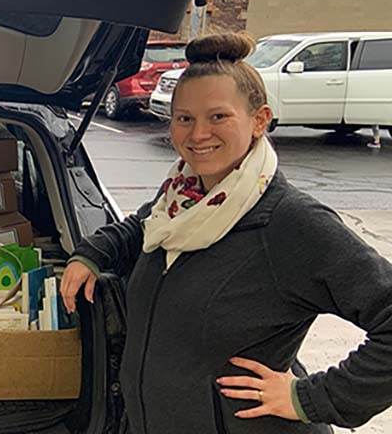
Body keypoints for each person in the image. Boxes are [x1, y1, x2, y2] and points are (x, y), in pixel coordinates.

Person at [61, 33, 392, 434]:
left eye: (218, 117)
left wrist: (312, 398)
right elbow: (143, 225)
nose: (198, 134)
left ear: (259, 120)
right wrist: (92, 253)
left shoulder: (290, 222)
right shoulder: (182, 197)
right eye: (184, 118)